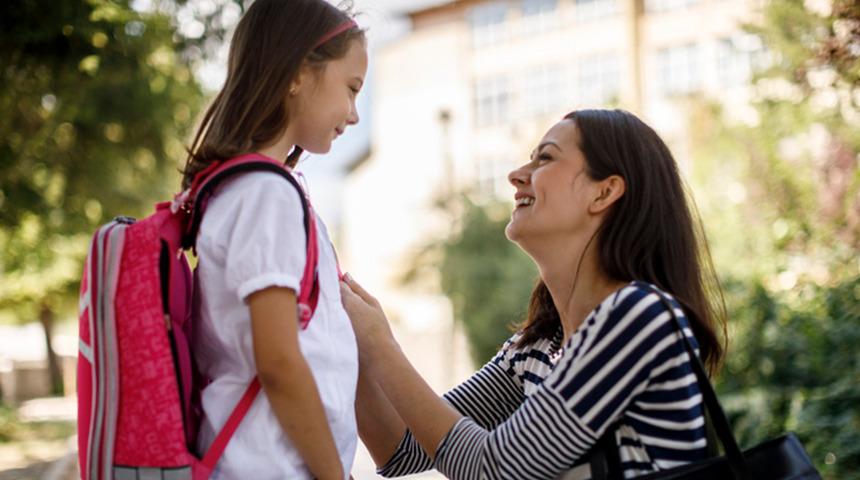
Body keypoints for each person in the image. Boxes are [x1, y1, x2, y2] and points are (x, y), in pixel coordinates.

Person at [341, 109, 727, 479]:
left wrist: (379, 343)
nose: (516, 175)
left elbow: (495, 469)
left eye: (545, 159)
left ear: (604, 192)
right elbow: (401, 449)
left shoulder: (637, 317)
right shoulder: (538, 350)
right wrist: (349, 334)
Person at [182, 1, 367, 478]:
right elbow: (280, 361)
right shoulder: (266, 195)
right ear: (297, 73)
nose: (354, 114)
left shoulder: (244, 189)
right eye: (351, 89)